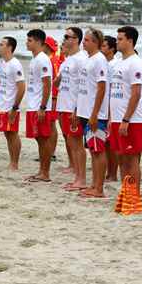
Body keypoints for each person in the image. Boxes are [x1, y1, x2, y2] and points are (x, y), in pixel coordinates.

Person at [108, 26, 142, 186]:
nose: (117, 42)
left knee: (131, 159)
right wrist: (113, 118)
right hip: (117, 118)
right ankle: (126, 194)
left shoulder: (136, 63)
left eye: (120, 39)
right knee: (121, 157)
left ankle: (133, 197)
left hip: (132, 120)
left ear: (130, 41)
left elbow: (136, 93)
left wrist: (126, 119)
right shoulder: (118, 63)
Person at [75, 28, 109, 198]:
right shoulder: (89, 59)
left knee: (98, 150)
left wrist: (95, 114)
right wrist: (77, 110)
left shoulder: (99, 60)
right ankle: (94, 185)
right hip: (85, 111)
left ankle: (99, 188)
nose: (83, 42)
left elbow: (101, 88)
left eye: (87, 40)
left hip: (95, 114)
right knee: (92, 150)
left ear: (95, 42)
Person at [56, 27, 87, 191]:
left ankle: (81, 179)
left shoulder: (81, 59)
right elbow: (59, 82)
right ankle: (77, 176)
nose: (65, 39)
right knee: (70, 142)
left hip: (74, 108)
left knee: (77, 144)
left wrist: (77, 109)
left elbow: (83, 86)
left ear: (76, 40)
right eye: (64, 36)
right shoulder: (68, 59)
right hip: (64, 105)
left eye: (68, 37)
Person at [24, 29, 56, 183]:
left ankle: (45, 172)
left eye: (30, 40)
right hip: (33, 104)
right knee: (39, 139)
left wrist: (43, 107)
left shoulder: (43, 59)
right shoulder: (35, 59)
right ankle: (41, 171)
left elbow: (47, 84)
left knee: (44, 139)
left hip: (40, 106)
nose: (27, 43)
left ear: (38, 42)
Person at [0, 36, 24, 171]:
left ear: (9, 47)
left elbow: (21, 87)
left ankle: (15, 163)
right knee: (7, 134)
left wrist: (15, 107)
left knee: (12, 134)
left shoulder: (15, 64)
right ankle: (12, 161)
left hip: (10, 106)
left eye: (2, 44)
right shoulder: (2, 62)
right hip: (1, 104)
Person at [101, 35, 120, 183]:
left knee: (111, 143)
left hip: (111, 107)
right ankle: (109, 171)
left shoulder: (114, 65)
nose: (101, 48)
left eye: (104, 46)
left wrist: (110, 112)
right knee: (105, 142)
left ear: (112, 49)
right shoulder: (103, 63)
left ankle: (113, 173)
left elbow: (113, 89)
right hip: (102, 106)